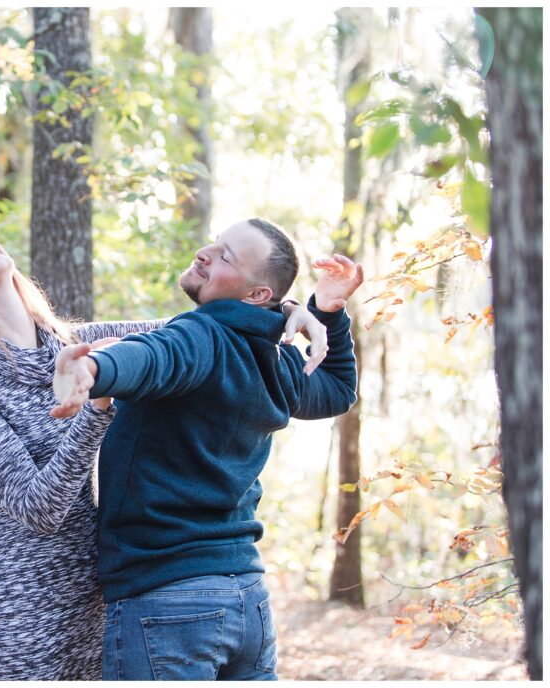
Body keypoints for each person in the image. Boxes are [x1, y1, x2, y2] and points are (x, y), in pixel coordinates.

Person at [0, 228, 331, 680]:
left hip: (104, 604)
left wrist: (291, 311)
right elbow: (38, 509)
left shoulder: (84, 341)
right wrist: (97, 407)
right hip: (23, 618)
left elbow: (209, 331)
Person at [51, 217, 363, 681]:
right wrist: (328, 311)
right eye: (215, 244)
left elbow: (156, 356)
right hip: (247, 600)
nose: (206, 253)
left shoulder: (201, 335)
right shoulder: (274, 360)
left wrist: (95, 369)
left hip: (167, 600)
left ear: (258, 295)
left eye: (225, 256)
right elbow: (336, 388)